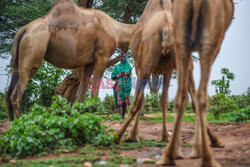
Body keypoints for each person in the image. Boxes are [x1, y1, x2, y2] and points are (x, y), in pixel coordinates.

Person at [111, 52, 132, 121]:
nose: (122, 58)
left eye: (123, 57)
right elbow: (113, 77)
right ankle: (121, 118)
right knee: (120, 102)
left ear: (125, 58)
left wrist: (127, 74)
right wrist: (119, 75)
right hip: (119, 86)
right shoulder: (117, 67)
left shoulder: (128, 66)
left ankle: (123, 116)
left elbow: (129, 75)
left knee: (125, 103)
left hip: (127, 86)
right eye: (120, 57)